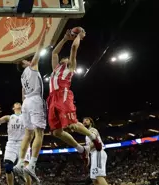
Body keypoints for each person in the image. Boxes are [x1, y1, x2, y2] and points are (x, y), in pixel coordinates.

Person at [47, 27, 102, 165]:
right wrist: (65, 39)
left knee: (72, 125)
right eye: (63, 58)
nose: (63, 58)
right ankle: (81, 149)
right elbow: (54, 53)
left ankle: (93, 136)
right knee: (56, 132)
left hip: (64, 95)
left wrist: (80, 35)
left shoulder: (70, 68)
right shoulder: (55, 69)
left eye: (66, 58)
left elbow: (73, 49)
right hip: (52, 98)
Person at [13, 25, 50, 184]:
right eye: (26, 60)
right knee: (39, 133)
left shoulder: (22, 77)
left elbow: (22, 95)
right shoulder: (32, 66)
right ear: (24, 63)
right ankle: (32, 164)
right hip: (34, 100)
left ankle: (20, 162)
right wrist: (45, 31)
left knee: (28, 135)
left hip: (26, 102)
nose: (30, 60)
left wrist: (23, 109)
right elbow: (39, 47)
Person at [0, 103, 32, 185]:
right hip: (11, 144)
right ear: (13, 108)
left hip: (24, 143)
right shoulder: (8, 117)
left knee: (26, 169)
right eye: (16, 104)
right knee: (8, 168)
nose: (18, 104)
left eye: (19, 103)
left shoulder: (26, 116)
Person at [83, 117, 108, 185]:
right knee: (94, 179)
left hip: (98, 152)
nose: (84, 121)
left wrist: (86, 149)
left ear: (91, 122)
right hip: (93, 154)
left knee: (99, 176)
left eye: (86, 120)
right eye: (83, 121)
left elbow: (94, 142)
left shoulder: (93, 130)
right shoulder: (86, 135)